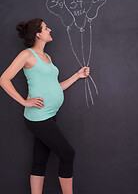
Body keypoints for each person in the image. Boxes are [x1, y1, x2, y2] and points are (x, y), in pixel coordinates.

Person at [0, 18, 90, 194]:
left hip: (49, 115)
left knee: (40, 160)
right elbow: (3, 79)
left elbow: (55, 87)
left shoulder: (47, 57)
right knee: (68, 154)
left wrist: (76, 76)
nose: (50, 30)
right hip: (38, 117)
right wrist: (24, 101)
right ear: (38, 34)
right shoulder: (27, 55)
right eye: (46, 28)